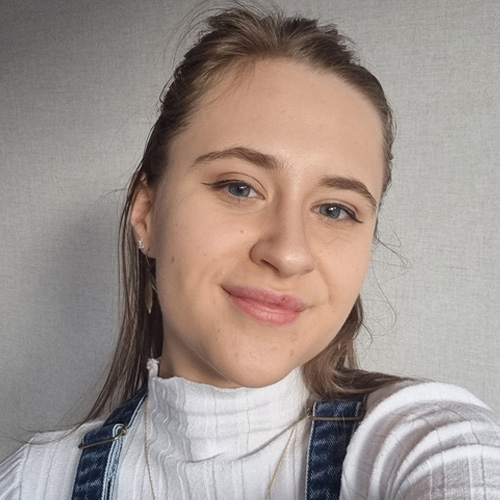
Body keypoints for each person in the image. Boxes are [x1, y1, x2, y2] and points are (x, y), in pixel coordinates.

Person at [1, 6, 500, 500]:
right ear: (147, 213)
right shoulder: (35, 482)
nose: (288, 253)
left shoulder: (426, 440)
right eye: (239, 187)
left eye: (334, 209)